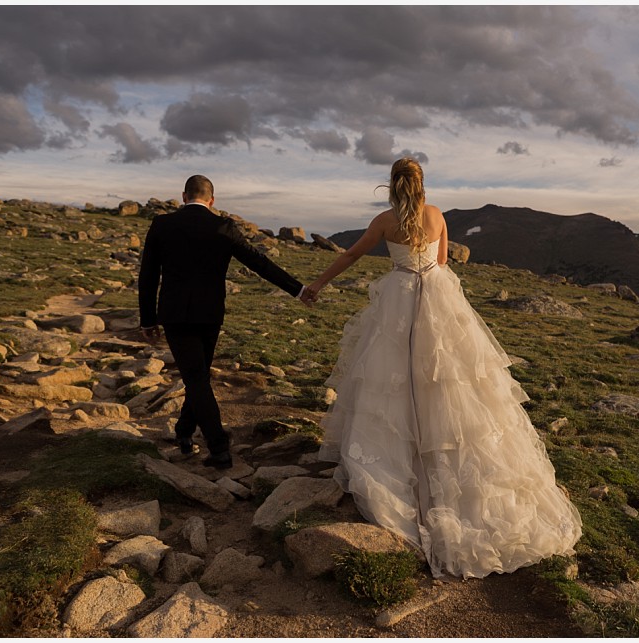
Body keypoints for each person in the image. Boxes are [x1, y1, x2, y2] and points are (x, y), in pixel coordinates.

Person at [303, 158, 582, 579]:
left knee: (390, 378)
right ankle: (442, 451)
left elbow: (353, 254)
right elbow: (445, 261)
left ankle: (402, 458)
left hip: (398, 295)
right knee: (451, 379)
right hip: (438, 295)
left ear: (391, 186)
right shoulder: (437, 216)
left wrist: (317, 284)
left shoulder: (384, 220)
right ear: (422, 184)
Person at [138, 175, 308, 469]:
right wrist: (298, 289)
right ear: (212, 200)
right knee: (198, 376)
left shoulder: (162, 224)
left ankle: (214, 446)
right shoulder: (223, 226)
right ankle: (193, 437)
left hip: (175, 313)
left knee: (196, 377)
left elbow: (148, 275)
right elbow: (259, 262)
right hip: (210, 314)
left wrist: (147, 320)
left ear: (183, 196)